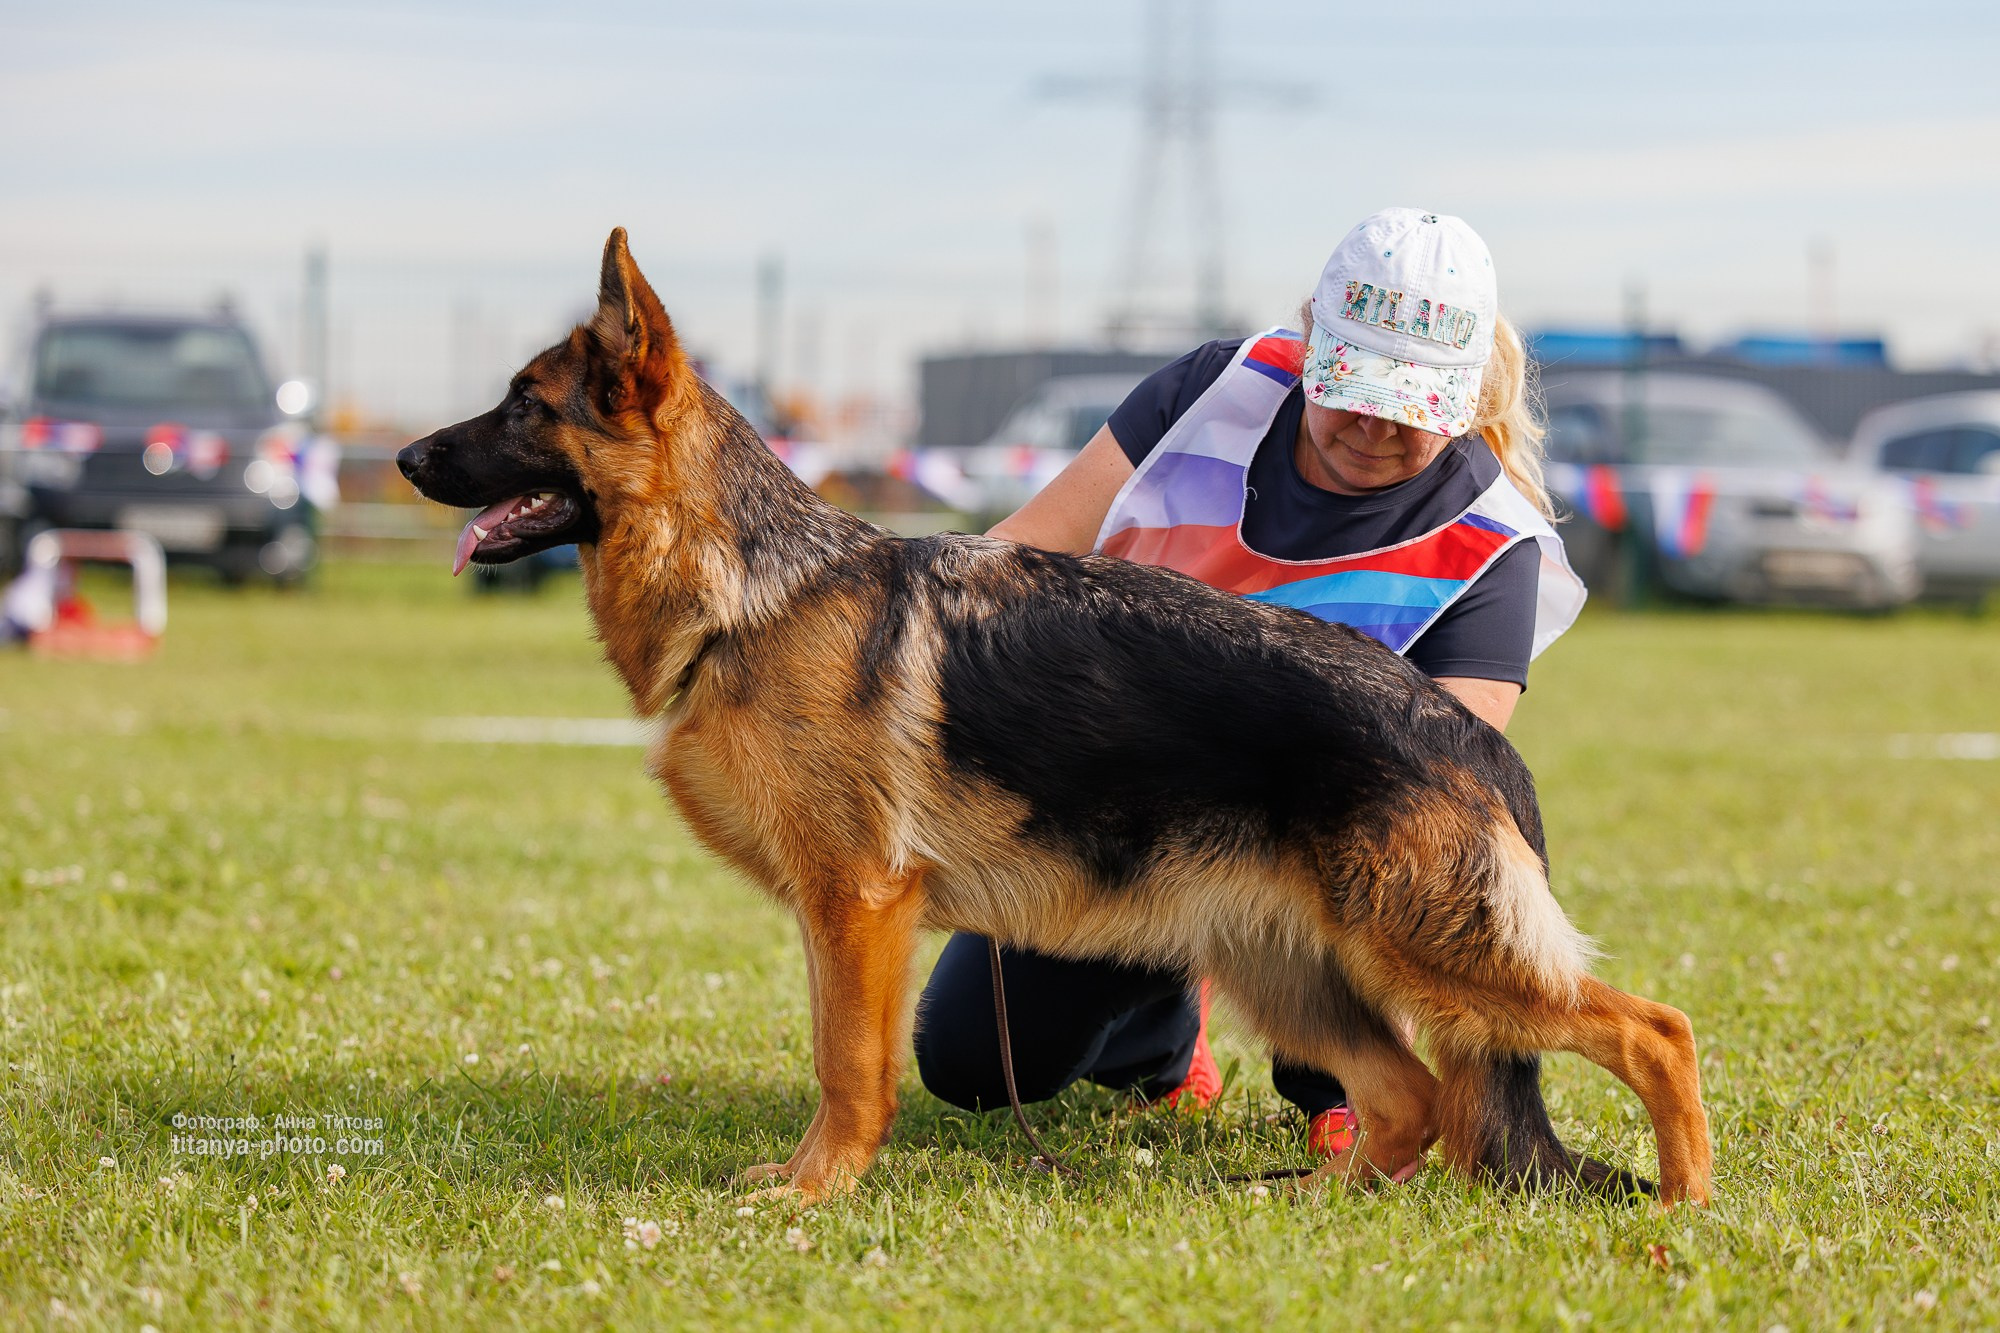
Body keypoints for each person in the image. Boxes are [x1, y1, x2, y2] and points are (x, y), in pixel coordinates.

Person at [912, 206, 1585, 1159]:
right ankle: (1160, 1040)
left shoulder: (1491, 545)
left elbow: (1428, 806)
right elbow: (1008, 563)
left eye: (1410, 409)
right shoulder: (1208, 392)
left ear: (1469, 398)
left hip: (1305, 855)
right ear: (1312, 339)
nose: (1370, 426)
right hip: (1107, 811)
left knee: (1365, 931)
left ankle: (1333, 1076)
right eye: (1350, 385)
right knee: (971, 1063)